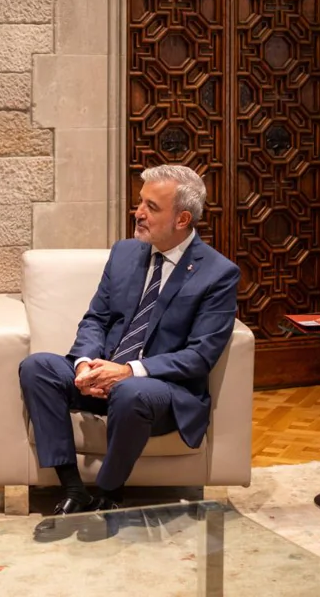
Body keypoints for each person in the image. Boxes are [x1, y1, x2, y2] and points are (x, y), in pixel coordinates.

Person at [18, 164, 240, 533]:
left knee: (130, 391)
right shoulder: (125, 253)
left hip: (158, 392)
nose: (138, 213)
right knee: (37, 367)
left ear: (182, 218)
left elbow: (200, 355)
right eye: (140, 203)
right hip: (105, 377)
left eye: (151, 207)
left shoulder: (218, 273)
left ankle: (108, 492)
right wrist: (86, 364)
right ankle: (73, 489)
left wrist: (127, 371)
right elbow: (96, 319)